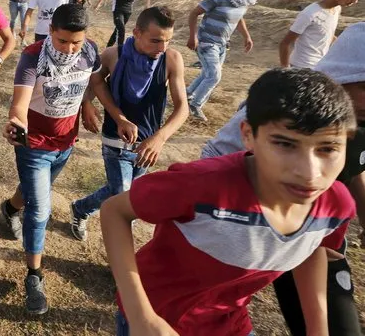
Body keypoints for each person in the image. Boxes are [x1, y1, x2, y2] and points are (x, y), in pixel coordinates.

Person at [102, 67, 356, 336]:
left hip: (229, 323)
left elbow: (312, 247)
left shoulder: (336, 205)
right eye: (284, 144)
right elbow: (114, 211)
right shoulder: (202, 185)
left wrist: (318, 328)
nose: (309, 172)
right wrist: (141, 316)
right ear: (247, 135)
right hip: (159, 319)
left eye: (327, 148)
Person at [202, 24, 365, 336]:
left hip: (314, 233)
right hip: (254, 225)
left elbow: (354, 167)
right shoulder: (282, 109)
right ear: (343, 76)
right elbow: (214, 161)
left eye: (328, 148)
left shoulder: (337, 198)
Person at [0, 4, 101, 314]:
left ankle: (8, 209)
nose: (69, 49)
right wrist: (17, 123)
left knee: (31, 192)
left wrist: (87, 107)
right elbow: (19, 105)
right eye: (62, 41)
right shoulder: (32, 57)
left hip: (66, 143)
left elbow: (91, 84)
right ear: (51, 32)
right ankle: (34, 276)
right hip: (34, 145)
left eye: (76, 42)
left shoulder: (91, 52)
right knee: (41, 209)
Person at [70, 7, 189, 241]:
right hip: (115, 140)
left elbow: (183, 108)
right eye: (155, 40)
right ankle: (121, 265)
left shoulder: (172, 59)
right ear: (137, 32)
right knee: (126, 200)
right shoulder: (113, 54)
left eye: (167, 41)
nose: (162, 48)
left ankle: (81, 207)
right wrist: (90, 106)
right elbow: (96, 80)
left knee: (126, 191)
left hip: (147, 146)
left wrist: (159, 139)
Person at [186, 0, 255, 122]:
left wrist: (247, 37)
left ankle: (188, 93)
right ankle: (195, 105)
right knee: (214, 76)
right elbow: (194, 13)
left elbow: (239, 19)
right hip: (206, 42)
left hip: (222, 44)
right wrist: (193, 36)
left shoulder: (243, 0)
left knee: (207, 73)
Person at [279, 0, 365, 70]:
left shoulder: (336, 9)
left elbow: (327, 34)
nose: (355, 1)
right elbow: (285, 43)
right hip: (302, 68)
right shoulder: (310, 13)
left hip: (320, 66)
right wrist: (286, 70)